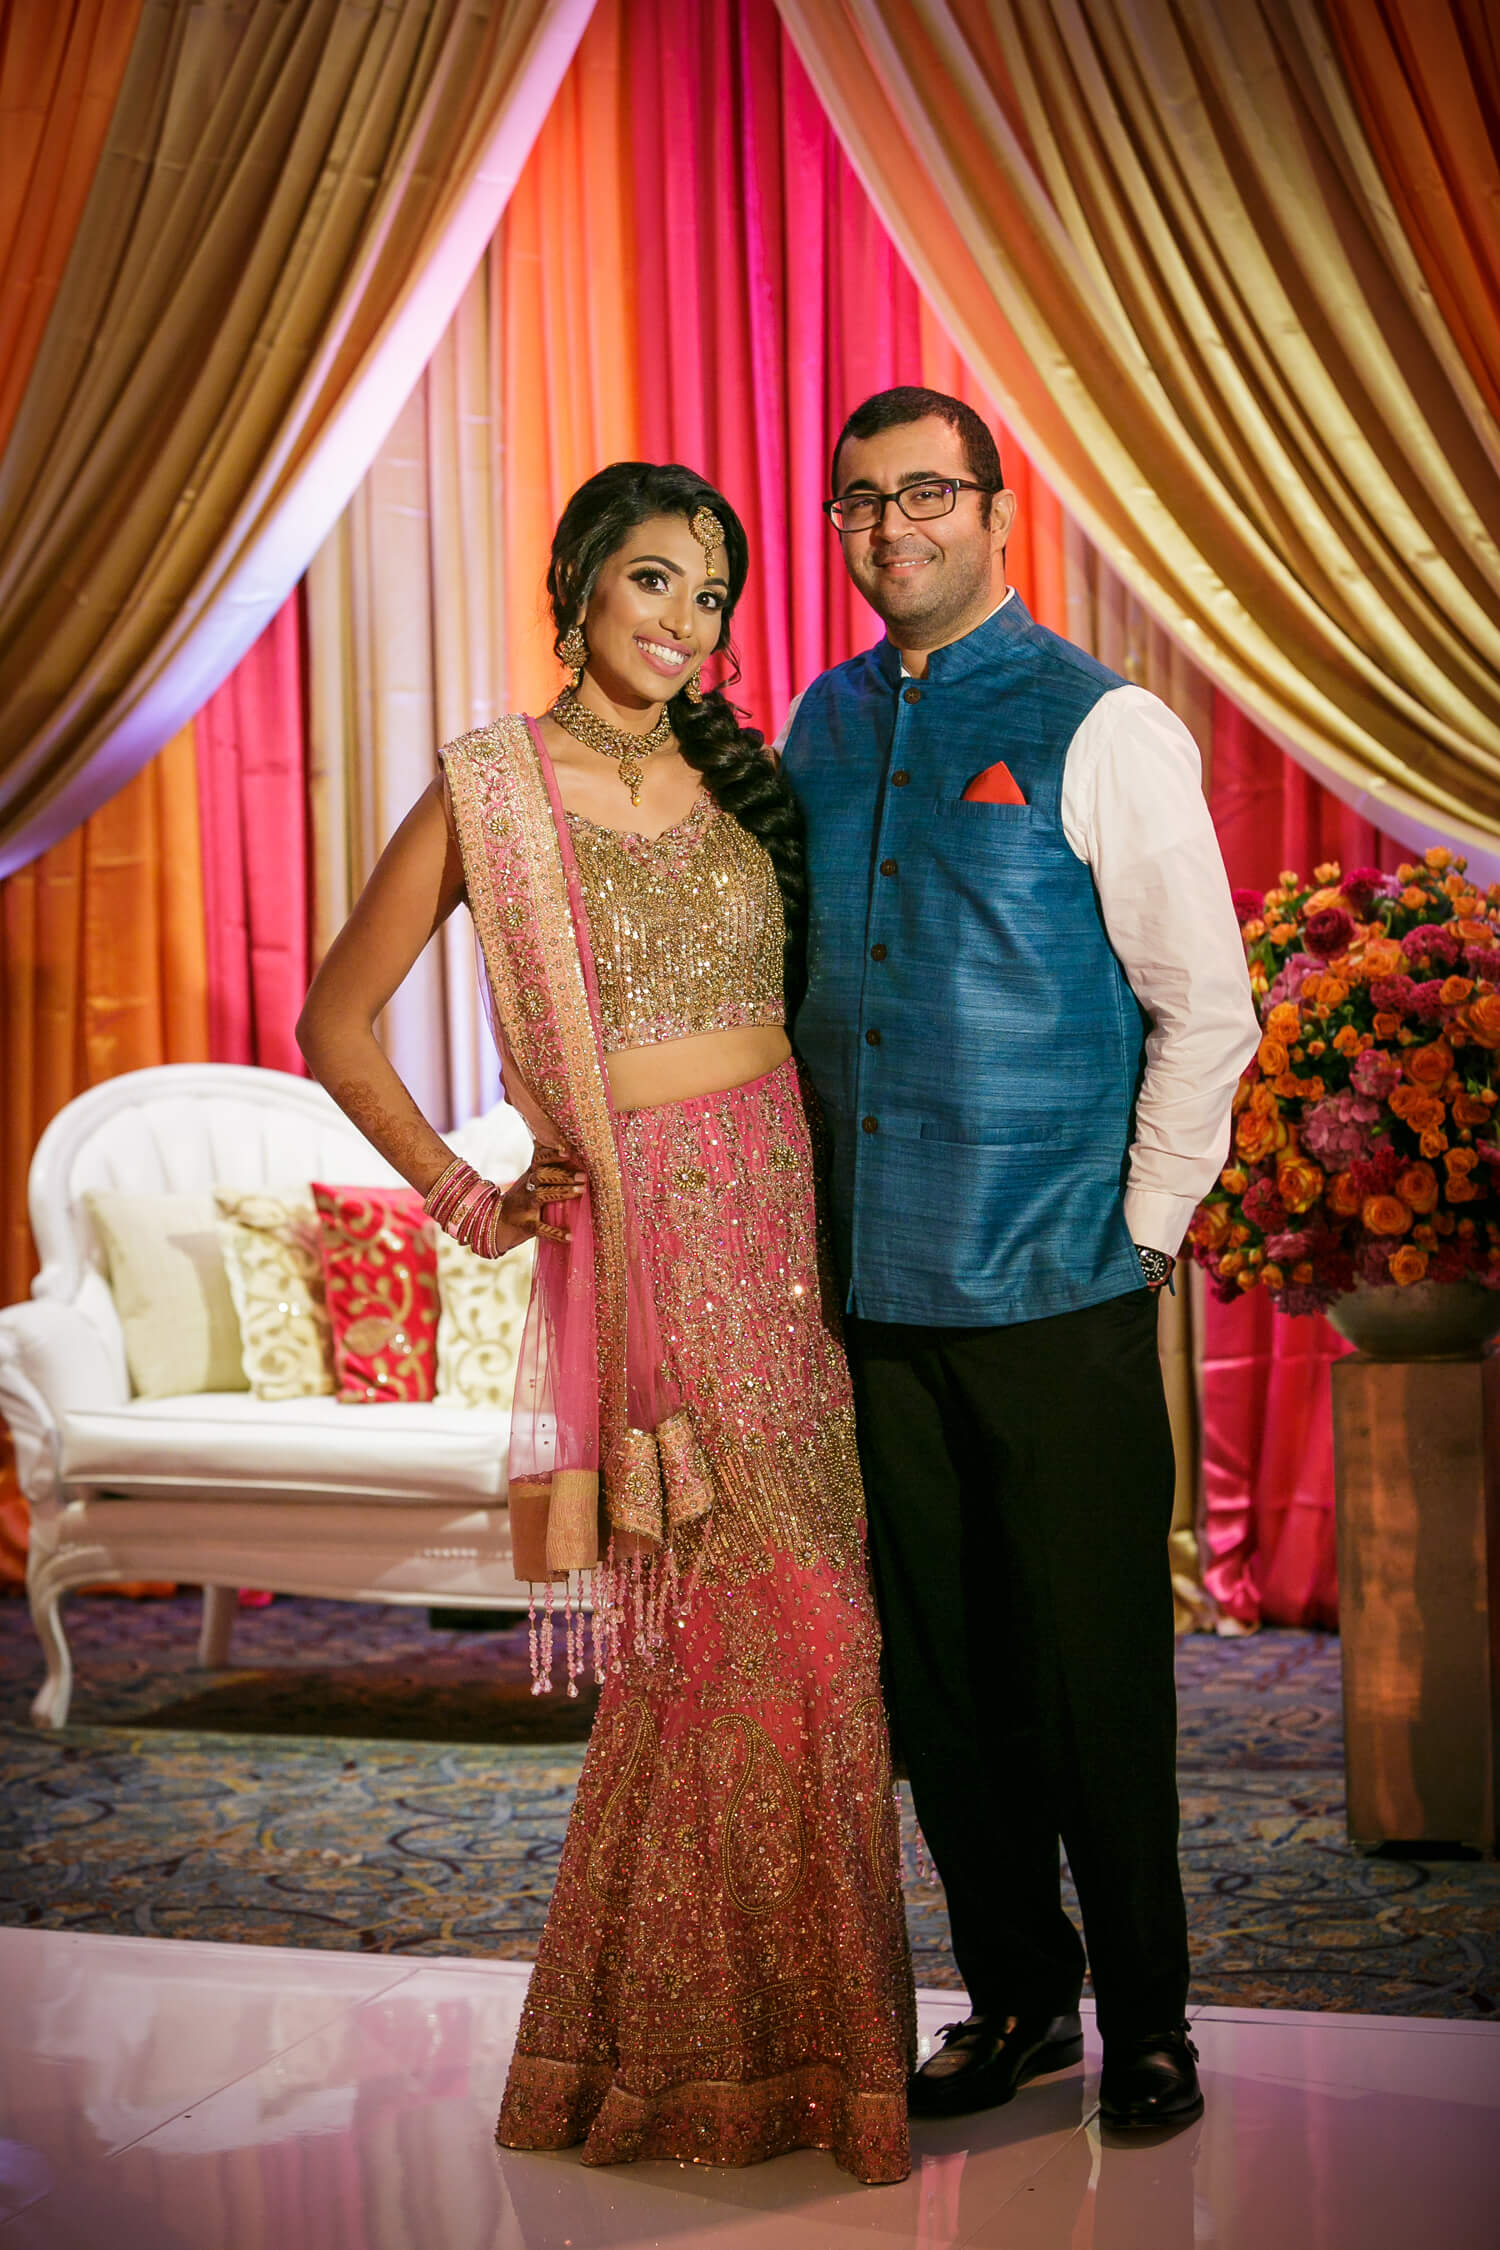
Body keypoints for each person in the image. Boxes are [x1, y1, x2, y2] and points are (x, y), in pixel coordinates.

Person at [296, 461, 916, 2185]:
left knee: (824, 1638)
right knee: (709, 1640)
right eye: (654, 580)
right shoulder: (491, 789)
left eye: (711, 596)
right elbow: (337, 1019)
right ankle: (669, 2053)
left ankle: (812, 2050)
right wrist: (469, 1193)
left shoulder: (746, 780)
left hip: (782, 1240)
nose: (684, 622)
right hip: (648, 1252)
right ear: (576, 582)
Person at [777, 387, 1259, 2133]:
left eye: (925, 492)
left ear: (995, 511)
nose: (890, 525)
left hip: (1059, 1290)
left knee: (1091, 1673)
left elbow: (1207, 1005)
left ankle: (1150, 2021)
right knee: (942, 1682)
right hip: (868, 1295)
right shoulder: (819, 722)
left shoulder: (1101, 721)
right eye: (858, 500)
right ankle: (1016, 1999)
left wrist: (1141, 1231)